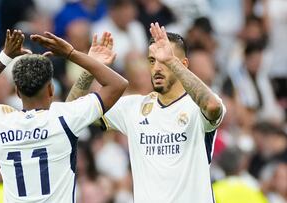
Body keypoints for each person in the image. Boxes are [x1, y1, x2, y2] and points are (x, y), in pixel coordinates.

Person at [68, 22, 226, 202]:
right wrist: (90, 69)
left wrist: (171, 62)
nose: (157, 68)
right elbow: (71, 113)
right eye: (152, 61)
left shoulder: (197, 107)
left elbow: (213, 107)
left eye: (165, 60)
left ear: (183, 64)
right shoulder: (133, 108)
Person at [0, 29, 127, 203]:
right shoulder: (63, 119)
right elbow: (117, 84)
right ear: (51, 89)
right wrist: (71, 53)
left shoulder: (0, 123)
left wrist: (5, 56)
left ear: (17, 92)